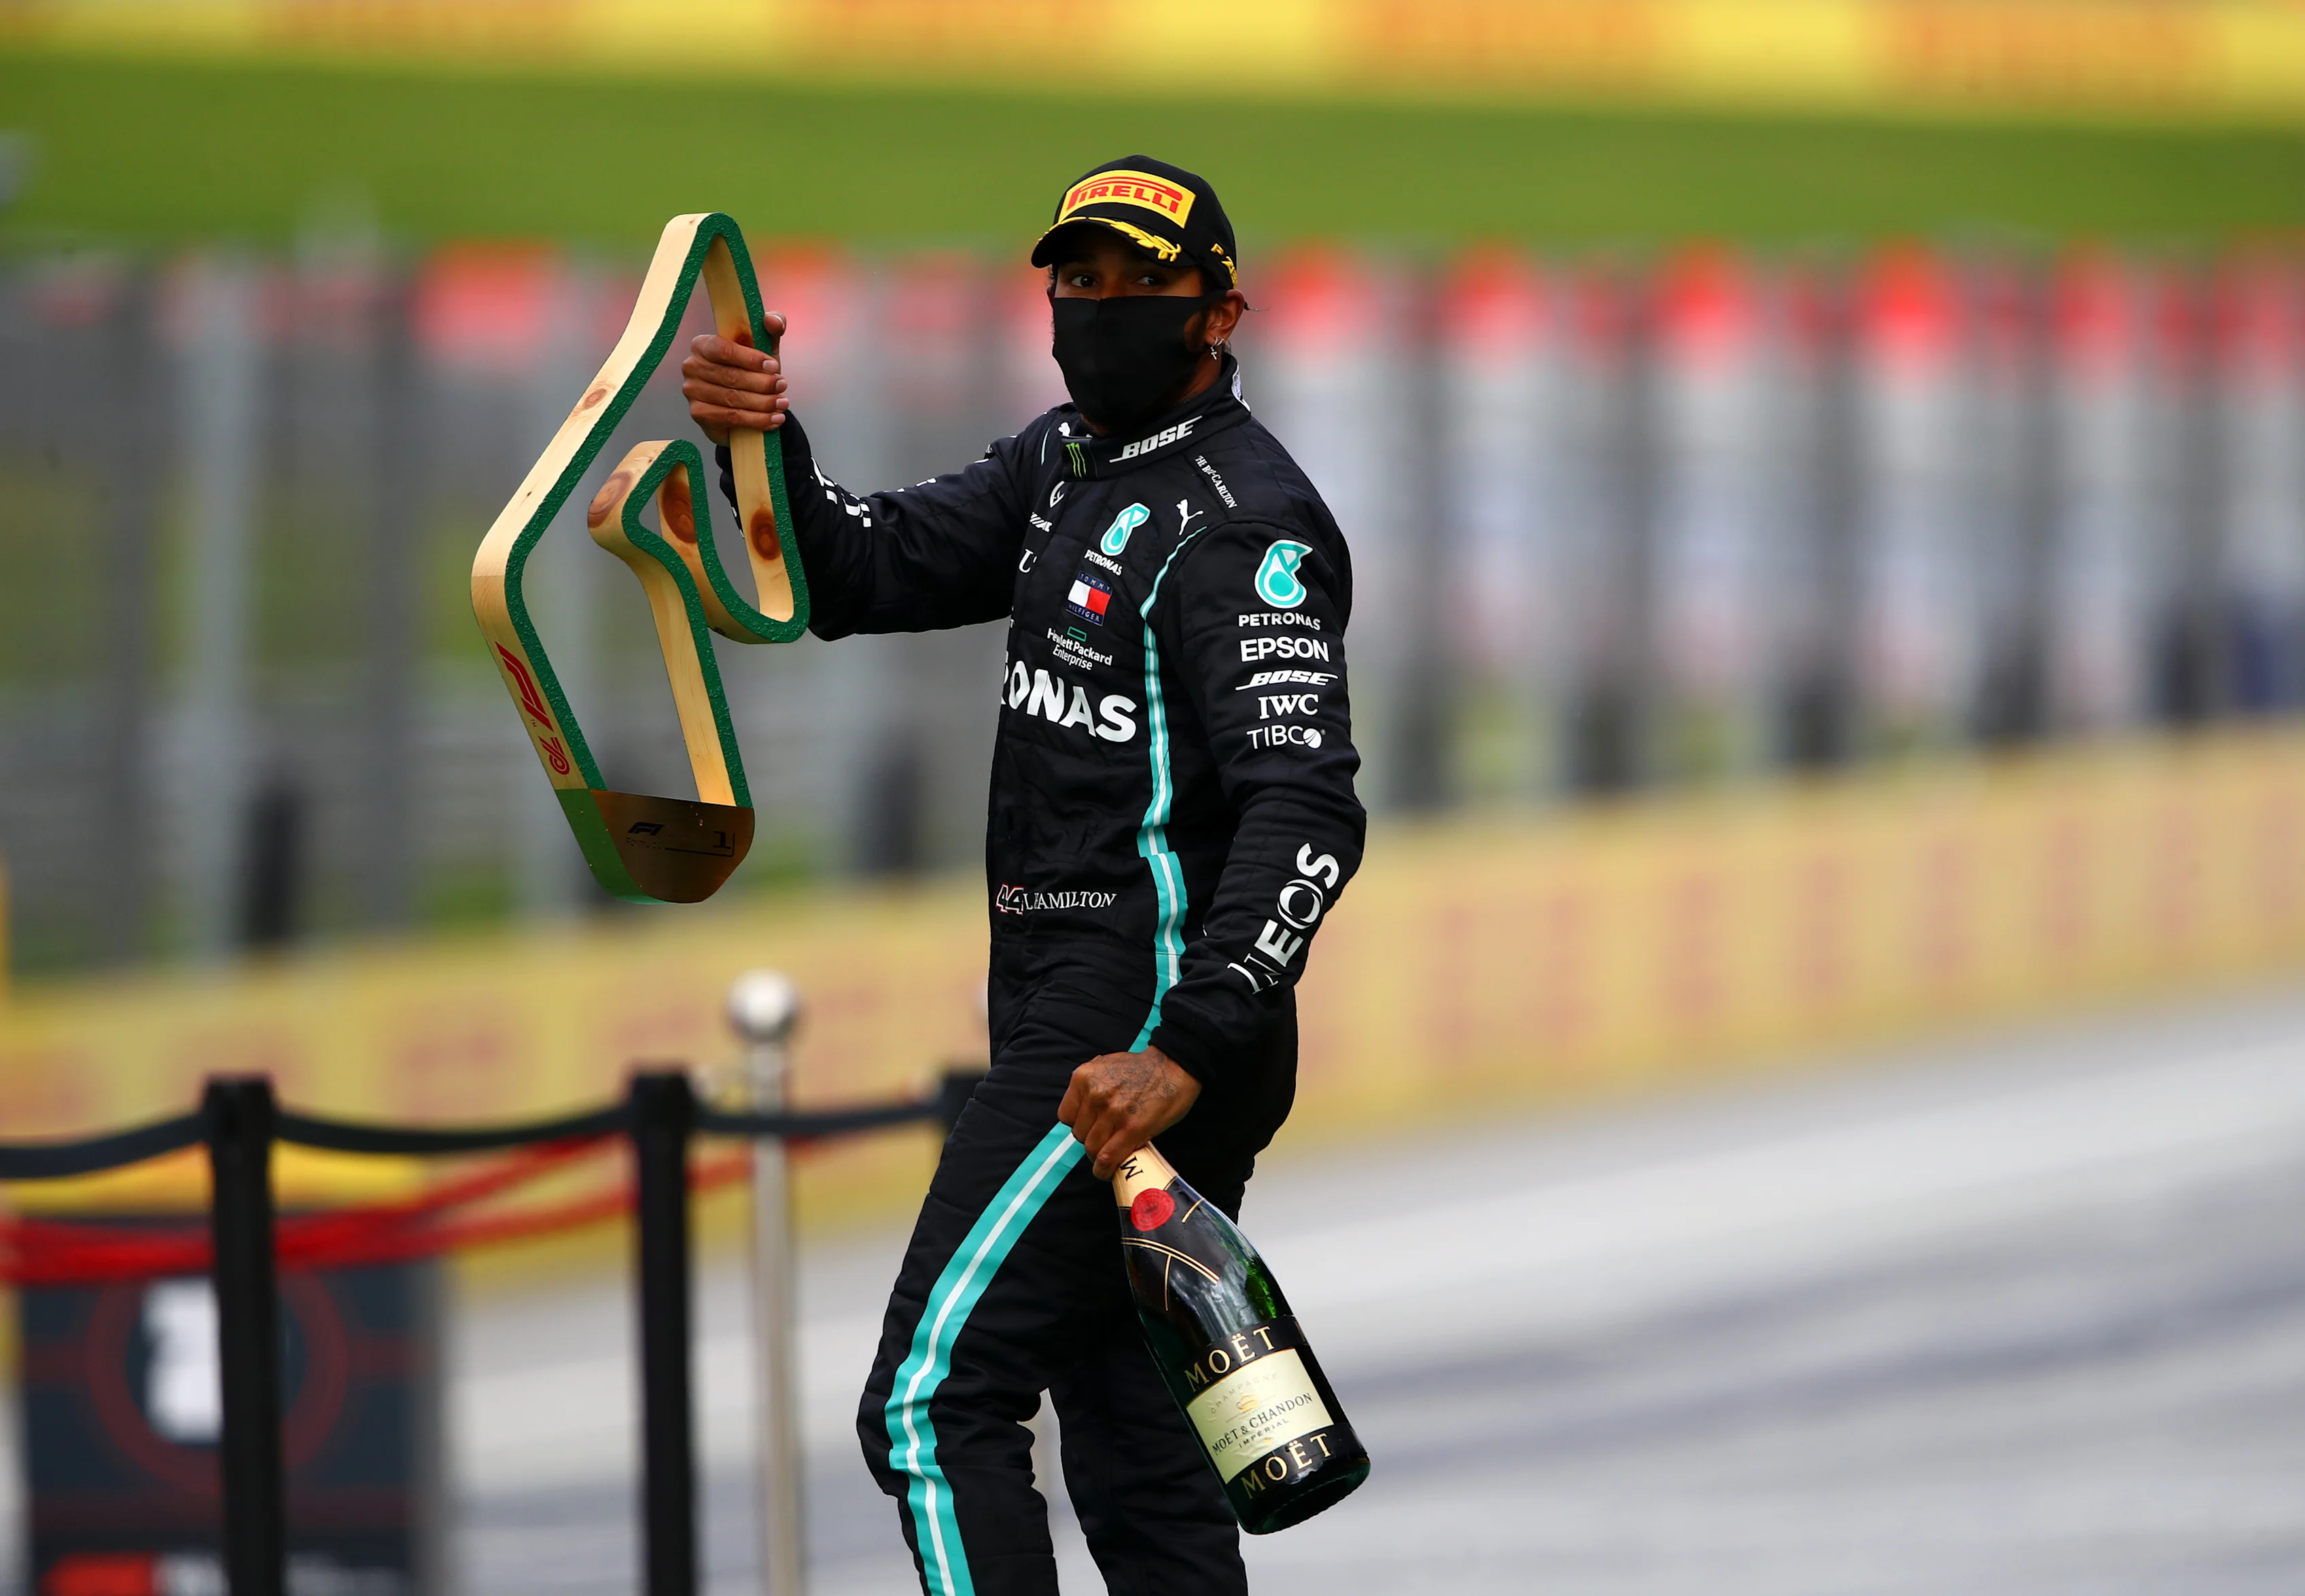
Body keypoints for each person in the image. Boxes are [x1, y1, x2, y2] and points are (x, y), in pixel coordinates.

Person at [684, 156, 1365, 1596]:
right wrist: (766, 442)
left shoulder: (1241, 524)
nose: (1101, 306)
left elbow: (1304, 809)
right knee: (1137, 1448)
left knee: (932, 1401)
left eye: (1141, 281)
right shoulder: (1063, 462)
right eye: (1077, 277)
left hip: (1141, 1018)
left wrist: (1185, 1042)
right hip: (1087, 1002)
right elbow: (861, 570)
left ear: (1220, 309)